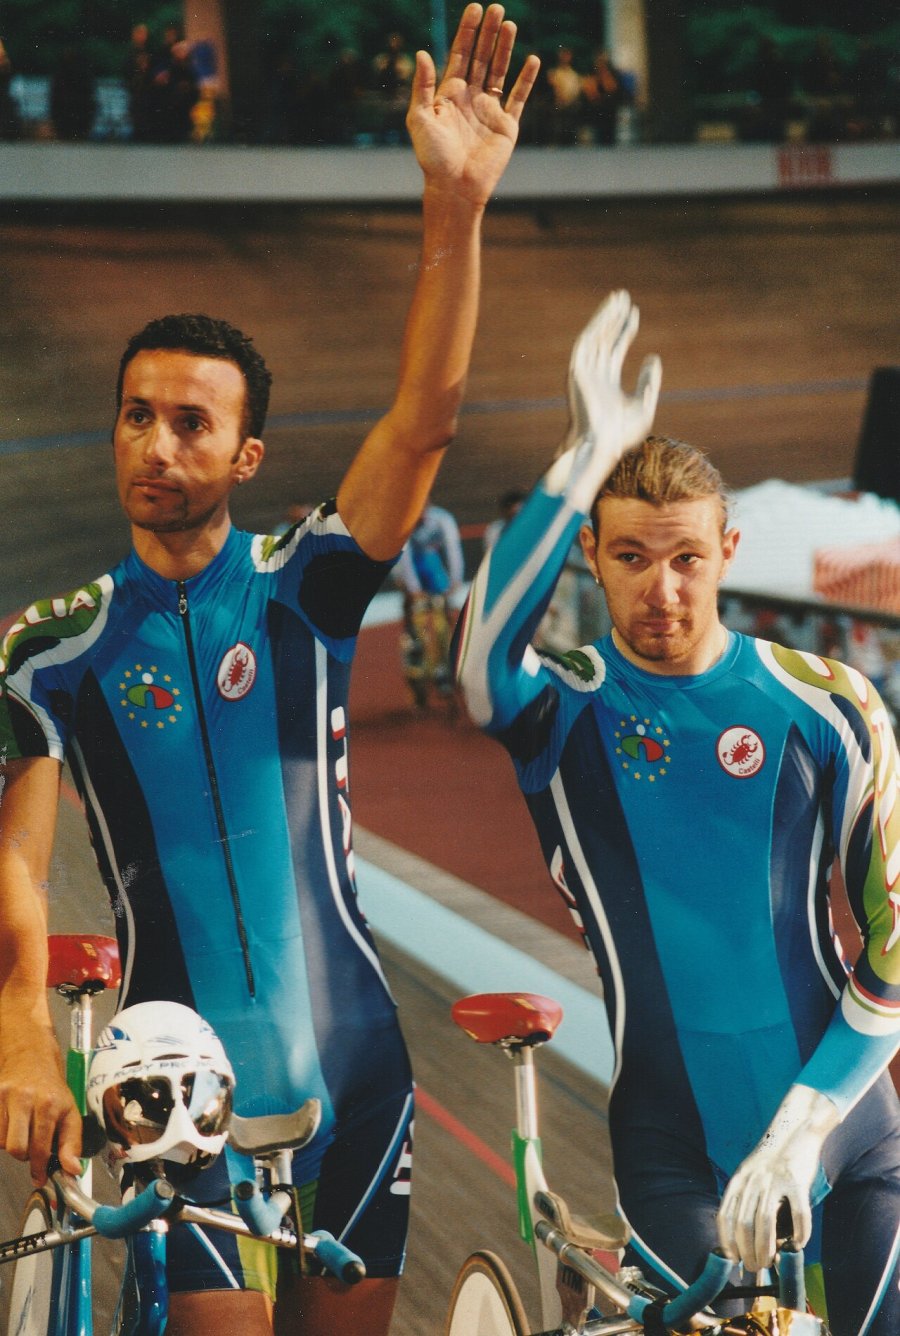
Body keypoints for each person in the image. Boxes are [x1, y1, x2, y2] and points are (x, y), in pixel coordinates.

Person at [0, 8, 539, 1335]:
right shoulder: (50, 649)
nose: (157, 445)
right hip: (177, 1086)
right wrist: (21, 1030)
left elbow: (425, 421)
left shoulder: (308, 585)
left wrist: (455, 208)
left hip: (359, 1066)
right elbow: (16, 868)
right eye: (138, 415)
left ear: (246, 457)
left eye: (193, 423)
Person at [455, 291, 900, 1336]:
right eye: (632, 557)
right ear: (591, 554)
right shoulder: (565, 708)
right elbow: (478, 672)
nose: (663, 589)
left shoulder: (829, 706)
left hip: (843, 1129)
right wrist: (577, 464)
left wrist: (806, 1123)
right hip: (673, 1148)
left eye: (687, 557)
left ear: (727, 551)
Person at [394, 499, 465, 709]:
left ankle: (443, 669)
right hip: (406, 570)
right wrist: (414, 591)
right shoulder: (403, 521)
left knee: (443, 622)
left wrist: (455, 581)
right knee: (416, 629)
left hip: (432, 569)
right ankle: (416, 673)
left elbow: (453, 549)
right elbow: (404, 560)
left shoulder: (442, 519)